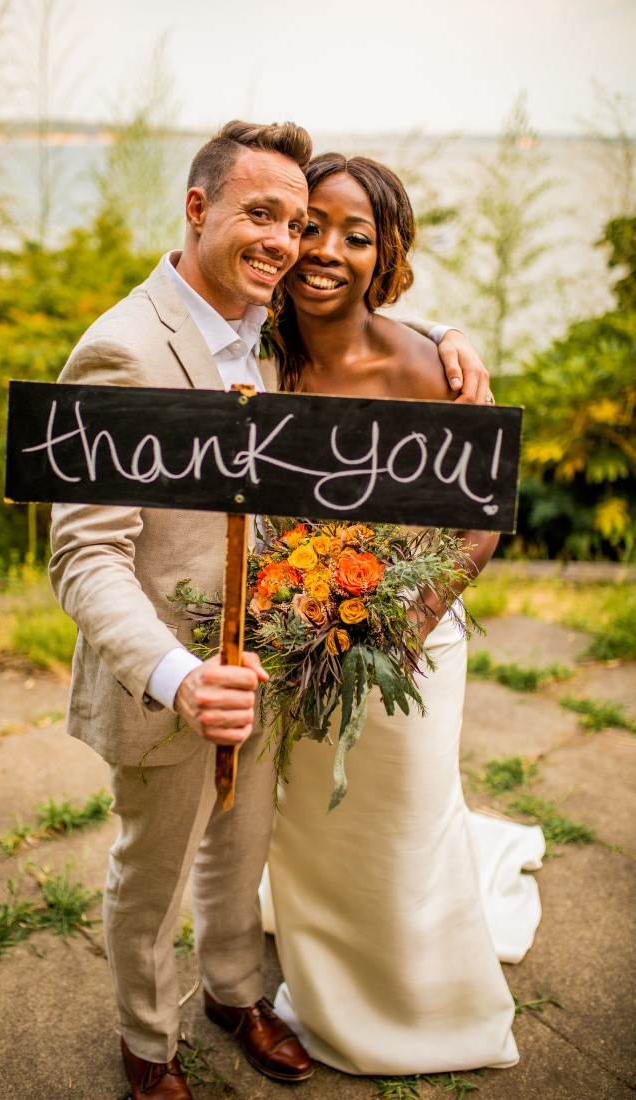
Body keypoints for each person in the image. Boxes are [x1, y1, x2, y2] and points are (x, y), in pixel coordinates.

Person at [49, 122, 494, 1100]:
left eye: (292, 222)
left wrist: (449, 339)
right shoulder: (124, 351)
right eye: (264, 213)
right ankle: (146, 1041)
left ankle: (236, 990)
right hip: (170, 680)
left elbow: (373, 337)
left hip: (274, 659)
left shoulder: (261, 328)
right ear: (195, 207)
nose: (287, 241)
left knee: (242, 846)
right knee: (150, 869)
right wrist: (178, 674)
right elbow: (82, 554)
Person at [261, 153, 546, 1076]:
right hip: (295, 633)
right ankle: (328, 987)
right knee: (306, 827)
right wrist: (301, 613)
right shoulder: (258, 357)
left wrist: (403, 617)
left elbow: (479, 517)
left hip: (410, 639)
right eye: (311, 225)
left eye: (357, 235)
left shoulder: (431, 365)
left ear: (385, 255)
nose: (326, 250)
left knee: (405, 815)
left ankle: (429, 1006)